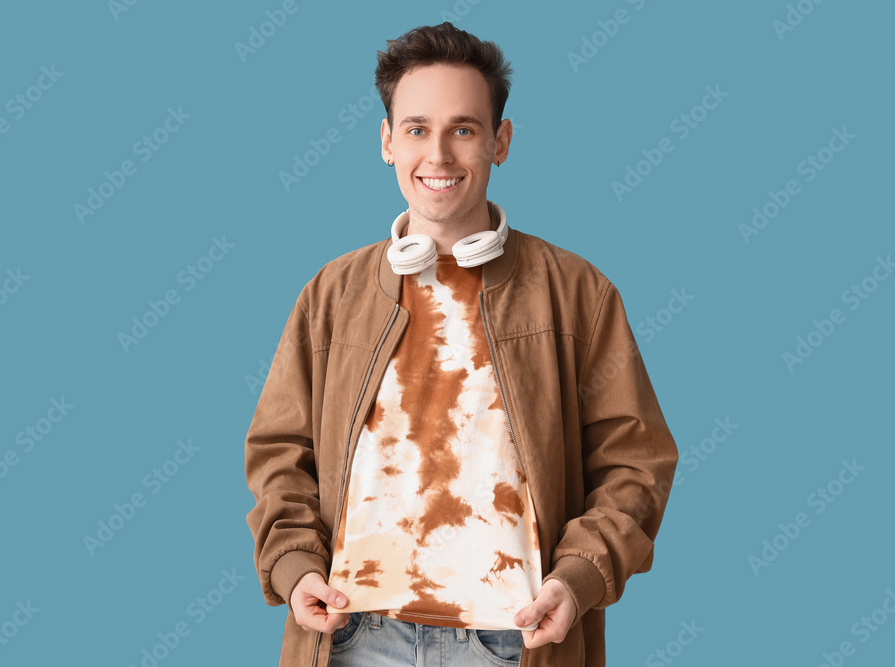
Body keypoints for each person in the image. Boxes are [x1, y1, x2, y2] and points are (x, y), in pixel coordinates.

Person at [245, 22, 679, 667]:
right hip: (353, 636)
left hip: (515, 638)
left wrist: (578, 577)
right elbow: (280, 452)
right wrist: (294, 566)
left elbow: (635, 463)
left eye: (464, 129)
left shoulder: (578, 292)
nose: (439, 155)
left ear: (500, 141)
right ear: (387, 142)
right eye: (417, 129)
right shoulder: (330, 295)